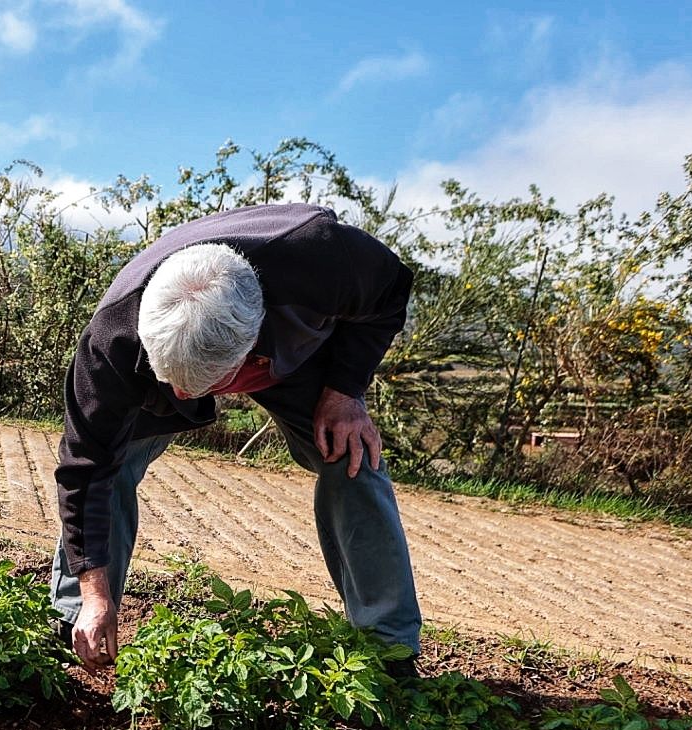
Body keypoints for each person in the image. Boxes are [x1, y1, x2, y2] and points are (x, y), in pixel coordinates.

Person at [53, 202, 421, 670]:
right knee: (112, 463)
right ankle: (75, 622)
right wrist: (93, 595)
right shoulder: (113, 340)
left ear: (249, 355)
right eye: (175, 383)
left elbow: (390, 291)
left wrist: (345, 391)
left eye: (196, 386)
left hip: (297, 351)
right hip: (156, 362)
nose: (183, 395)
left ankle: (389, 646)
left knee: (351, 457)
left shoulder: (324, 258)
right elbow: (83, 469)